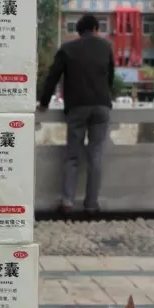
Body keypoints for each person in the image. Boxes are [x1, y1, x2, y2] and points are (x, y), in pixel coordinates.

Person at [38, 14, 114, 215]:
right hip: (101, 106)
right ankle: (91, 204)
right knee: (95, 155)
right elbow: (110, 77)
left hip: (77, 107)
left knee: (72, 155)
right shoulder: (106, 47)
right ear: (96, 29)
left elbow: (53, 76)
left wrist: (44, 102)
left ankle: (67, 202)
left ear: (79, 32)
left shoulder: (67, 49)